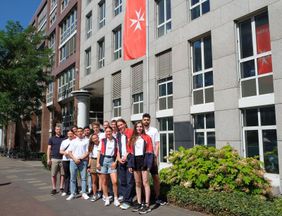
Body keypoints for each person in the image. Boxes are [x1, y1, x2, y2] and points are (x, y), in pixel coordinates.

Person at [127, 121, 154, 214]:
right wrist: (130, 165)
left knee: (145, 182)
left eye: (140, 127)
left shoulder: (147, 138)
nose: (139, 128)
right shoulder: (132, 138)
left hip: (144, 160)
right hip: (135, 161)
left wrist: (149, 165)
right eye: (137, 127)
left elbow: (150, 151)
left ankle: (147, 205)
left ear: (143, 128)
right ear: (135, 128)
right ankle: (139, 203)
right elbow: (130, 153)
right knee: (137, 183)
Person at [142, 113, 166, 205]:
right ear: (142, 120)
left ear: (150, 120)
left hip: (151, 156)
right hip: (142, 157)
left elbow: (157, 144)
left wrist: (155, 157)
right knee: (144, 179)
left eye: (148, 119)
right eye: (145, 119)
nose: (146, 121)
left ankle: (157, 197)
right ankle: (145, 198)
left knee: (155, 177)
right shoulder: (140, 130)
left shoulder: (154, 130)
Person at [97, 126, 120, 207]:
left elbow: (118, 153)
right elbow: (99, 152)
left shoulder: (116, 141)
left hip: (112, 161)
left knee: (115, 181)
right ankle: (106, 198)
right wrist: (98, 163)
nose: (108, 133)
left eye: (109, 131)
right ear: (105, 133)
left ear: (112, 131)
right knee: (104, 182)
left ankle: (116, 198)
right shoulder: (102, 141)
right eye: (106, 132)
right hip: (103, 161)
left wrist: (116, 162)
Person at [116, 119, 135, 210]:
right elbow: (118, 148)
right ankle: (125, 198)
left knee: (129, 181)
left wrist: (126, 156)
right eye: (118, 126)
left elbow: (133, 145)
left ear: (125, 124)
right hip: (121, 160)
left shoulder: (130, 132)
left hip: (129, 159)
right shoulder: (118, 134)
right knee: (122, 181)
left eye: (121, 125)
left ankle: (128, 201)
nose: (120, 127)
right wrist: (119, 158)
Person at [66, 127, 90, 201]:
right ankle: (73, 193)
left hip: (83, 161)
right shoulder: (73, 141)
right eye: (78, 131)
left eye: (81, 131)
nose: (79, 132)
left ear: (82, 132)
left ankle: (84, 193)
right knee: (73, 178)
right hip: (73, 161)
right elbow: (69, 152)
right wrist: (75, 159)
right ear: (76, 133)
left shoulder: (86, 141)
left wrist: (80, 159)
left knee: (83, 178)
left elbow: (87, 152)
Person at [47, 126, 65, 195]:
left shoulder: (64, 138)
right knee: (53, 174)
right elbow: (49, 149)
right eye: (57, 129)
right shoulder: (51, 139)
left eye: (60, 129)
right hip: (54, 159)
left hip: (63, 159)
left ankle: (61, 187)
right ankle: (54, 188)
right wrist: (48, 159)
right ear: (55, 130)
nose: (58, 130)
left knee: (62, 174)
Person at [60, 130, 74, 196]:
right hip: (65, 160)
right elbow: (60, 151)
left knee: (73, 175)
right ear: (67, 134)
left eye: (71, 133)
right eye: (69, 133)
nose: (70, 134)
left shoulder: (75, 141)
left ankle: (74, 190)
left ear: (73, 134)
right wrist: (65, 153)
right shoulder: (64, 141)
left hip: (72, 160)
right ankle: (66, 190)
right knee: (67, 175)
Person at [87, 134, 100, 201]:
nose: (95, 139)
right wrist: (88, 166)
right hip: (93, 161)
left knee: (101, 179)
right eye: (93, 138)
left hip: (100, 161)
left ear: (98, 138)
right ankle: (95, 194)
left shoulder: (101, 144)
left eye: (96, 138)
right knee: (94, 180)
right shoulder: (91, 146)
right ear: (91, 140)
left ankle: (101, 193)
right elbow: (90, 157)